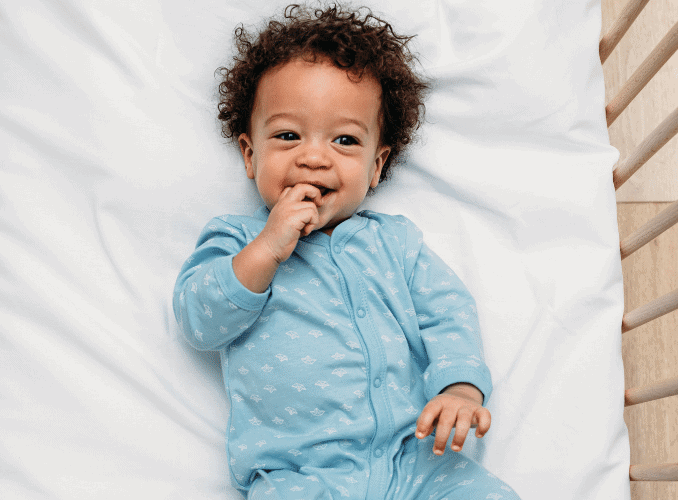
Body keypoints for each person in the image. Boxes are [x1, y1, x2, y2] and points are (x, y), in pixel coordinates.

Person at [173, 4, 520, 499]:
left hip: (415, 459)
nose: (313, 156)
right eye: (288, 136)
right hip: (298, 472)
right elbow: (199, 320)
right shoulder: (235, 239)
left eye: (344, 140)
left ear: (377, 167)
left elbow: (448, 314)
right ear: (251, 155)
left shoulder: (396, 244)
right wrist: (268, 247)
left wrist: (460, 388)